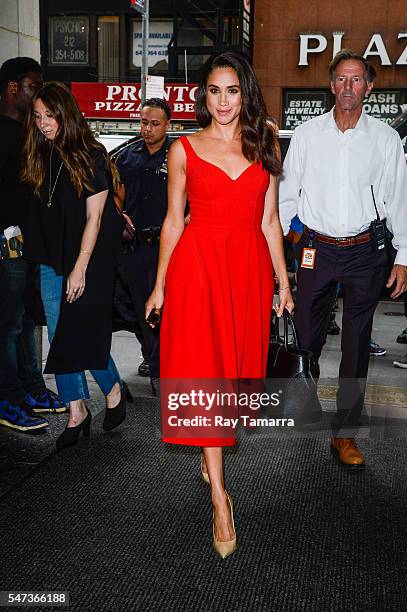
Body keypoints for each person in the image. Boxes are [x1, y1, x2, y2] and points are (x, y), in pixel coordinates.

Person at [146, 51, 293, 558]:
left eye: (232, 91)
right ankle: (219, 498)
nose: (224, 101)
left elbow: (271, 221)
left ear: (244, 93)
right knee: (205, 373)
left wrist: (283, 283)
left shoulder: (267, 141)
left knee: (231, 379)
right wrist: (160, 284)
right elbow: (171, 222)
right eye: (214, 91)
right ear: (202, 94)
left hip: (247, 272)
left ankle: (211, 459)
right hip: (198, 271)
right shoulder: (183, 149)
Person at [279, 49, 407, 468]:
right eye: (341, 79)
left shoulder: (386, 139)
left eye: (357, 80)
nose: (348, 87)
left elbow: (399, 201)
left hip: (365, 253)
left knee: (356, 344)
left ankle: (345, 433)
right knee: (306, 337)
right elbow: (286, 193)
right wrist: (296, 238)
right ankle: (307, 399)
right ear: (331, 85)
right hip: (316, 249)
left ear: (369, 87)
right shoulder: (306, 135)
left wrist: (403, 256)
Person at [21, 82, 130, 449]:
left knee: (80, 331)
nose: (43, 123)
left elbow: (95, 218)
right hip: (51, 258)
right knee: (60, 332)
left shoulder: (91, 154)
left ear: (65, 114)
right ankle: (77, 409)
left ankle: (112, 389)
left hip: (86, 257)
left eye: (49, 116)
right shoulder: (40, 152)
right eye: (37, 116)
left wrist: (80, 267)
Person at [0, 57, 66, 433]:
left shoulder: (28, 131)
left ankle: (29, 389)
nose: (36, 94)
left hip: (28, 244)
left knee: (26, 322)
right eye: (31, 86)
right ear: (13, 88)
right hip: (7, 243)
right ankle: (8, 398)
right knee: (8, 325)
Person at [115, 98, 172, 393]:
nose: (147, 129)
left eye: (154, 123)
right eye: (143, 122)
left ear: (168, 125)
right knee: (139, 310)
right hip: (135, 248)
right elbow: (116, 194)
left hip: (168, 247)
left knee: (165, 310)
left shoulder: (177, 155)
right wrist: (119, 213)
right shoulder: (127, 157)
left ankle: (160, 367)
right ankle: (153, 360)